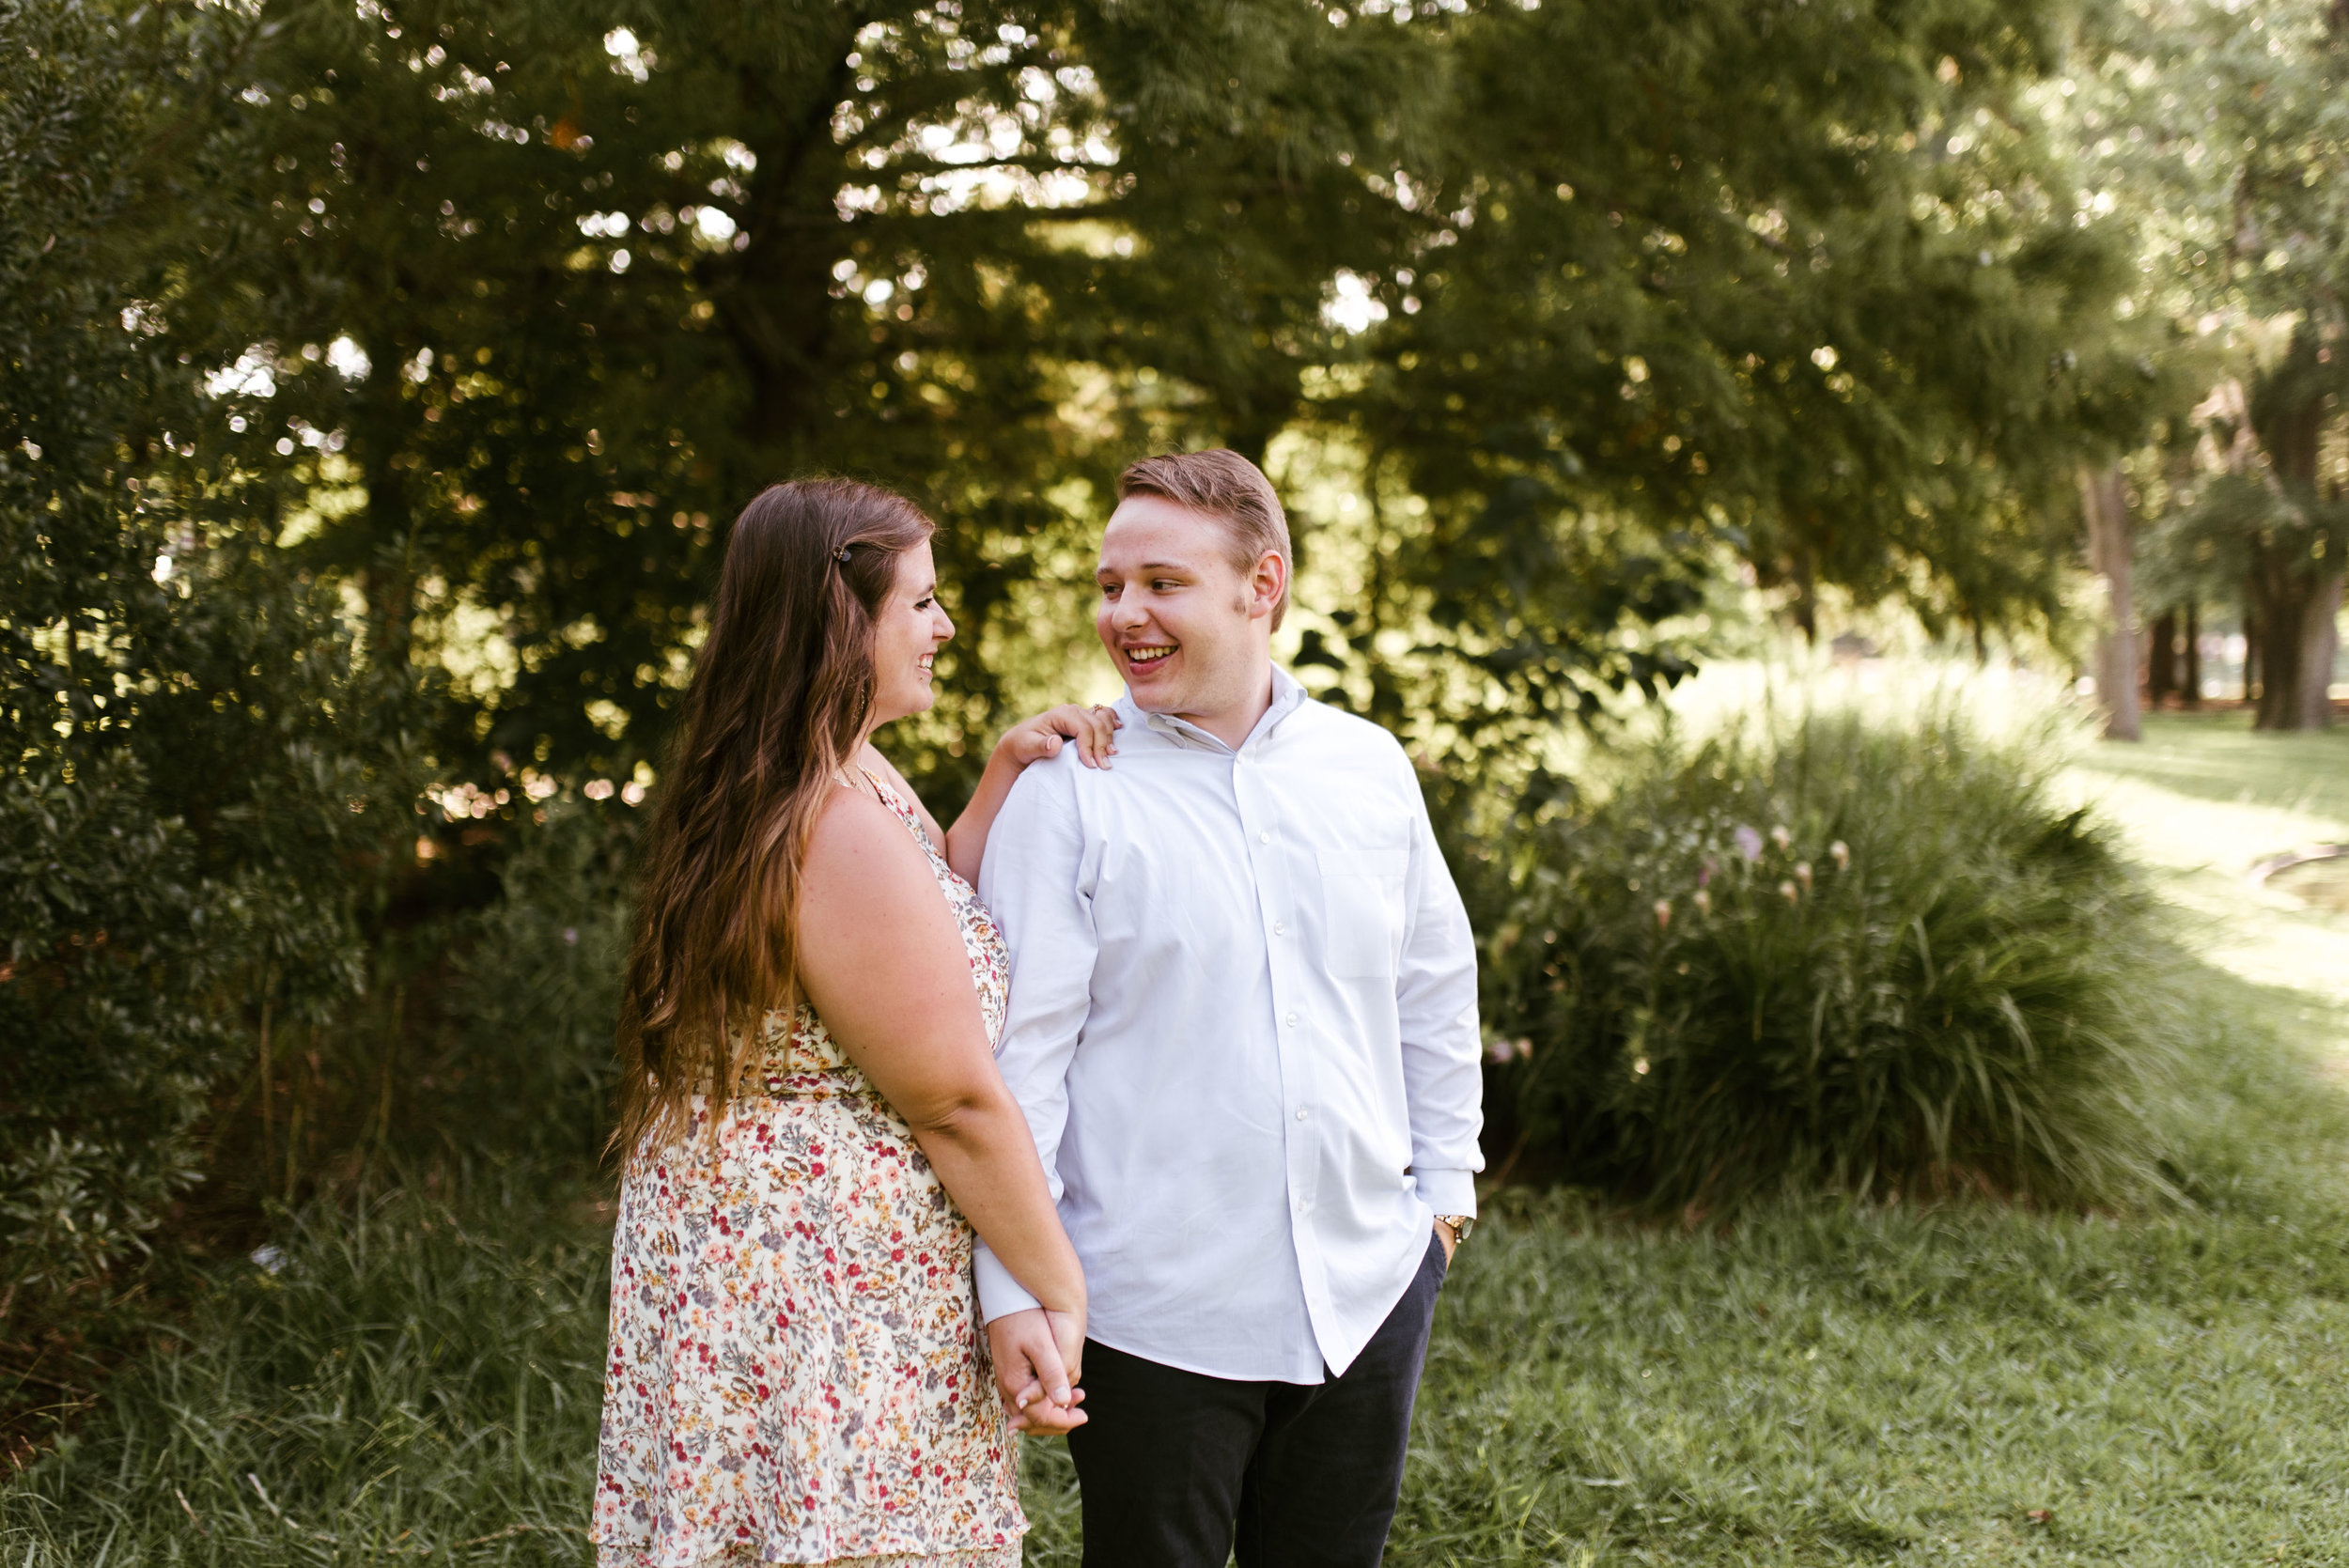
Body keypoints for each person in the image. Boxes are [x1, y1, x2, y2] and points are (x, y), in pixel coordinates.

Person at [974, 449, 1485, 1567]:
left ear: (1263, 584)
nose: (1125, 615)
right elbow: (1018, 1070)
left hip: (1367, 1292)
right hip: (1151, 1315)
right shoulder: (1066, 798)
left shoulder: (1367, 766)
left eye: (1161, 583)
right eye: (1109, 587)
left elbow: (1433, 985)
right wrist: (1013, 1286)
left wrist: (1441, 1205)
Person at [594, 477, 1105, 1568]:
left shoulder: (820, 773)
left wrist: (1002, 774)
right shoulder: (831, 818)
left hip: (755, 1244)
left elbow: (925, 920)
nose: (943, 626)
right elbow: (955, 1097)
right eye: (919, 603)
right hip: (819, 1276)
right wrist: (1057, 1282)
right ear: (843, 620)